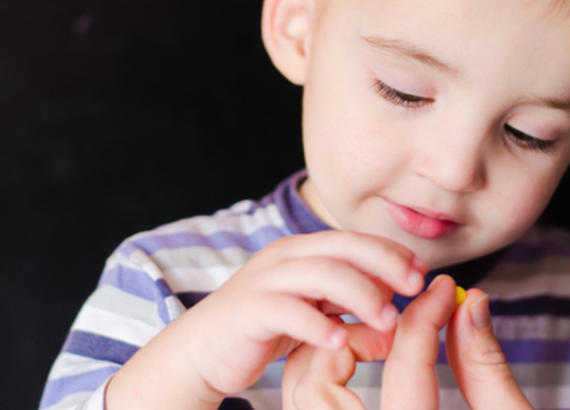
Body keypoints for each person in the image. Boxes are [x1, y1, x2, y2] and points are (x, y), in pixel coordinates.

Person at [40, 0, 570, 409]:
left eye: (530, 135)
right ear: (298, 29)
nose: (454, 171)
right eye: (404, 93)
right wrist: (187, 373)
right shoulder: (166, 281)